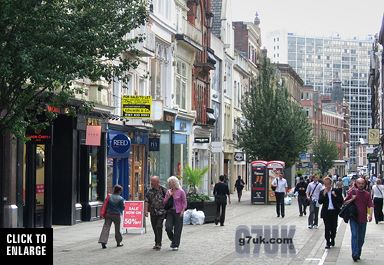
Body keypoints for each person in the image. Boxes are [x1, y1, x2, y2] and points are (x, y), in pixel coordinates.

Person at [344, 177, 373, 262]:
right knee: (354, 235)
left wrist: (370, 215)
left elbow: (370, 206)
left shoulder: (367, 194)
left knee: (361, 238)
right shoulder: (352, 192)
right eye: (359, 183)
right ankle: (355, 254)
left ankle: (358, 252)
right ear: (356, 184)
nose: (361, 185)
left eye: (362, 183)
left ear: (364, 184)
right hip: (353, 218)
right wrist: (352, 199)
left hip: (363, 219)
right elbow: (344, 203)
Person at [318, 177, 343, 248]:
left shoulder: (336, 191)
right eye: (325, 184)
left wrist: (335, 195)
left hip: (334, 212)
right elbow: (320, 202)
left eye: (328, 184)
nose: (327, 186)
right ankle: (327, 242)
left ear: (331, 184)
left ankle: (333, 238)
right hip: (326, 212)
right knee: (327, 227)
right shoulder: (322, 192)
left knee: (334, 227)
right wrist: (324, 194)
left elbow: (341, 201)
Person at [163, 176, 187, 251]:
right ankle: (173, 239)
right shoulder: (168, 191)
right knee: (168, 227)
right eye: (169, 183)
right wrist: (168, 196)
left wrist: (182, 211)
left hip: (178, 212)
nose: (170, 184)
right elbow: (164, 202)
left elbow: (184, 202)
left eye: (171, 183)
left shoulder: (181, 191)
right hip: (170, 212)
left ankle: (175, 244)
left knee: (178, 229)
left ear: (175, 183)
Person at [144, 176, 168, 250]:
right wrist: (145, 211)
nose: (151, 183)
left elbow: (168, 199)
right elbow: (146, 201)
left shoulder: (163, 189)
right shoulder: (149, 191)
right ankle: (156, 242)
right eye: (151, 181)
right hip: (153, 212)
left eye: (153, 181)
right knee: (154, 228)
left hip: (161, 212)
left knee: (159, 226)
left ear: (157, 182)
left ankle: (158, 243)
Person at [98, 185, 125, 249]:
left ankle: (103, 242)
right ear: (119, 191)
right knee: (117, 229)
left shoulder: (109, 196)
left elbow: (105, 205)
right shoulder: (121, 199)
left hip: (108, 214)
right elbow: (123, 207)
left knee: (106, 228)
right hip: (116, 215)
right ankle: (118, 242)